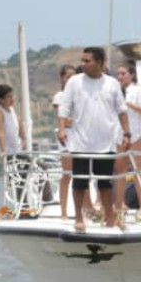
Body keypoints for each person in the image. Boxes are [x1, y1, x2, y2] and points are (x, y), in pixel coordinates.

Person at [59, 47, 131, 232]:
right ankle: (78, 217)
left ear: (100, 62)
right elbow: (64, 108)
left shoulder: (112, 83)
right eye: (82, 60)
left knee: (105, 183)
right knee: (80, 182)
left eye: (87, 61)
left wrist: (127, 133)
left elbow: (122, 110)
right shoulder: (74, 82)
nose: (82, 64)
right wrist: (61, 130)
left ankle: (110, 218)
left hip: (105, 141)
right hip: (81, 141)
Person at [114, 61, 141, 220]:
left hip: (136, 134)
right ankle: (119, 203)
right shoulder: (115, 91)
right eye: (118, 74)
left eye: (123, 73)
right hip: (118, 135)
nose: (120, 77)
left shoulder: (138, 91)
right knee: (120, 171)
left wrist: (129, 104)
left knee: (138, 171)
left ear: (131, 75)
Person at [53, 64, 85, 220]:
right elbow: (63, 120)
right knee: (67, 175)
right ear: (62, 78)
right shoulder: (60, 96)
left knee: (82, 174)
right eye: (68, 76)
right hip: (67, 137)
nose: (71, 79)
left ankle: (83, 209)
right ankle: (64, 211)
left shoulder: (78, 95)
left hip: (80, 136)